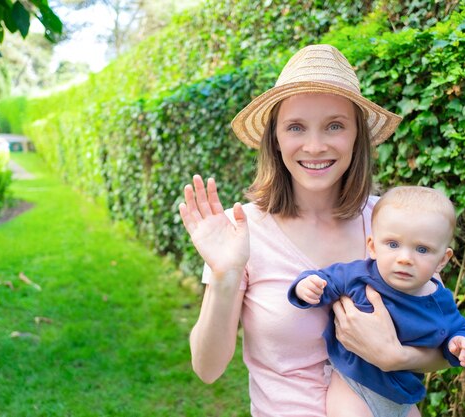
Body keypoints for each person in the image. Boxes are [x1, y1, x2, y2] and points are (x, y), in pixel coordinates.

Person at [179, 44, 450, 416]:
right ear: (275, 138)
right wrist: (226, 277)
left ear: (358, 136)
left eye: (335, 125)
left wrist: (394, 356)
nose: (315, 146)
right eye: (295, 127)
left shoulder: (391, 221)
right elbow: (207, 369)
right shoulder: (241, 230)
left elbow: (445, 337)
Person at [288, 186, 465, 417]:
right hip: (355, 386)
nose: (405, 259)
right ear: (372, 246)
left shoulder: (438, 300)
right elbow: (326, 279)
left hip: (403, 398)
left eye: (422, 249)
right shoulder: (360, 275)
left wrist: (462, 343)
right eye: (392, 244)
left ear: (442, 260)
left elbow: (458, 328)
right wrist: (305, 287)